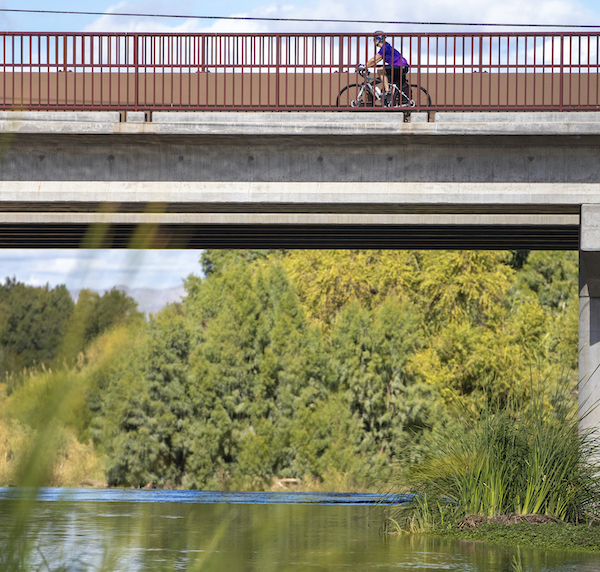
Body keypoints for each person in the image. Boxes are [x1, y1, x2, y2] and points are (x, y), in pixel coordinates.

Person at [363, 31, 409, 107]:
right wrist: (367, 66)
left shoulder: (385, 47)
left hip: (400, 66)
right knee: (391, 83)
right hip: (400, 67)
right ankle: (391, 103)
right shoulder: (387, 47)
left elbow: (374, 60)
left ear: (378, 39)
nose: (374, 42)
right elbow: (376, 60)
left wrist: (364, 67)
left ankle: (387, 91)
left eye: (374, 40)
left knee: (380, 70)